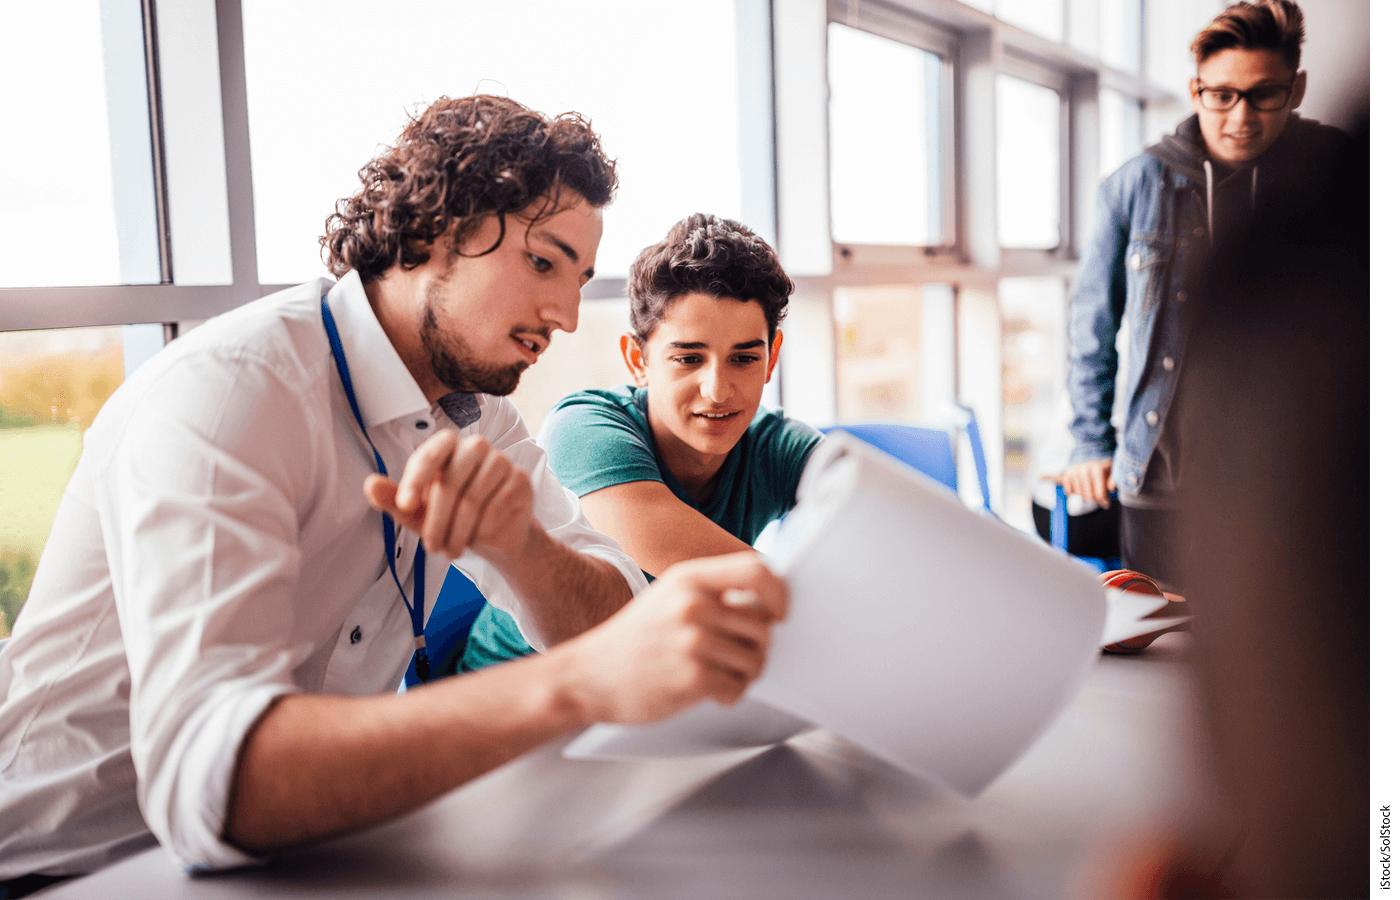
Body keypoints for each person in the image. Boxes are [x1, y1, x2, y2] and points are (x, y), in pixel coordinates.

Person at [0, 96, 788, 896]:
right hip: (68, 865)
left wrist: (525, 549)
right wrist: (576, 683)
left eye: (580, 279)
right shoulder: (238, 391)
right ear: (436, 230)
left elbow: (615, 615)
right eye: (544, 264)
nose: (566, 313)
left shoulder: (478, 417)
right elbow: (215, 781)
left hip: (305, 854)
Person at [1062, 0, 1349, 591]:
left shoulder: (1338, 174)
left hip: (1294, 483)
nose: (1241, 116)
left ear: (1296, 90)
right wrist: (1090, 441)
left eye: (1264, 93)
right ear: (1196, 91)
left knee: (1277, 667)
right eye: (1223, 94)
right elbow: (1092, 325)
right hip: (1160, 479)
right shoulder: (1133, 186)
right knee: (1159, 652)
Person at [462, 214, 822, 670]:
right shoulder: (584, 428)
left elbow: (878, 521)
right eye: (689, 358)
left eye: (744, 358)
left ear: (771, 360)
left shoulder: (776, 444)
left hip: (653, 690)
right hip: (514, 695)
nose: (717, 389)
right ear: (638, 360)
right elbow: (770, 593)